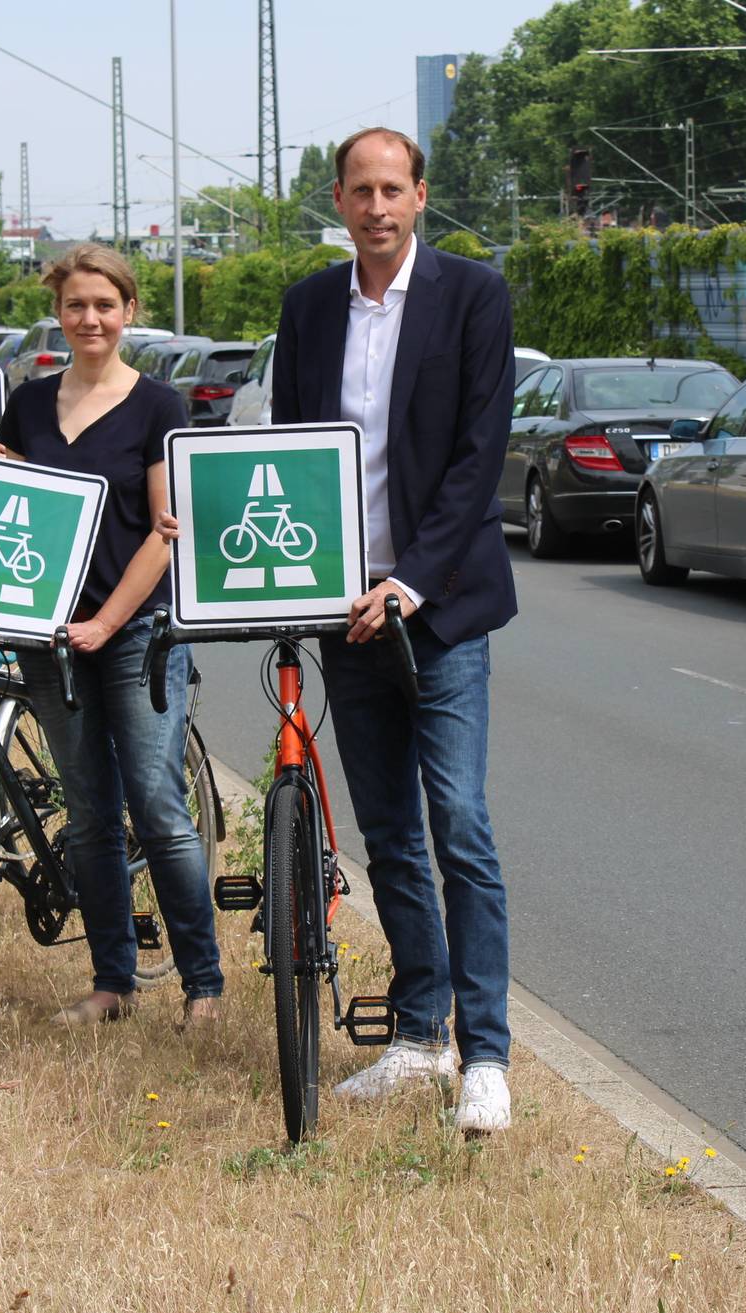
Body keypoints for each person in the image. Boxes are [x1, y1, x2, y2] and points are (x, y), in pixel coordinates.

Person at [269, 127, 518, 1134]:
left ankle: (486, 1054)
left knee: (458, 821)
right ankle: (418, 1033)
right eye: (359, 190)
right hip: (346, 611)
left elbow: (477, 458)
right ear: (338, 200)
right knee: (390, 838)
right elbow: (290, 452)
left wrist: (411, 583)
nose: (376, 206)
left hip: (441, 606)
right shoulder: (310, 306)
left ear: (421, 196)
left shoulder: (472, 296)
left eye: (392, 189)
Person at [0, 243, 222, 1029]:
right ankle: (112, 980)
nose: (91, 318)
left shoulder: (159, 408)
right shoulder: (26, 403)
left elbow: (164, 534)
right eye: (77, 304)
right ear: (59, 311)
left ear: (129, 312)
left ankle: (203, 983)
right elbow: (0, 505)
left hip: (133, 632)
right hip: (45, 636)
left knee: (156, 804)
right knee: (87, 811)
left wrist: (106, 622)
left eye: (105, 305)